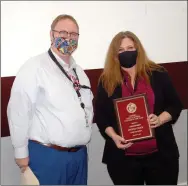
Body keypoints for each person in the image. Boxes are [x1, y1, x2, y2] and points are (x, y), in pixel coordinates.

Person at [7, 14, 94, 185]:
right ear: (51, 35)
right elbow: (19, 110)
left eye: (73, 34)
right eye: (62, 32)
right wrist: (20, 152)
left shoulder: (80, 73)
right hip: (48, 157)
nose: (68, 38)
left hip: (79, 157)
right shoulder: (34, 67)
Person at [95, 31, 183, 185]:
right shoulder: (106, 80)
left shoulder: (158, 73)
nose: (126, 52)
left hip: (161, 157)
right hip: (123, 160)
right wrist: (114, 136)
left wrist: (160, 119)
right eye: (121, 50)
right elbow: (101, 115)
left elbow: (175, 104)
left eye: (130, 48)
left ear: (138, 49)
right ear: (115, 55)